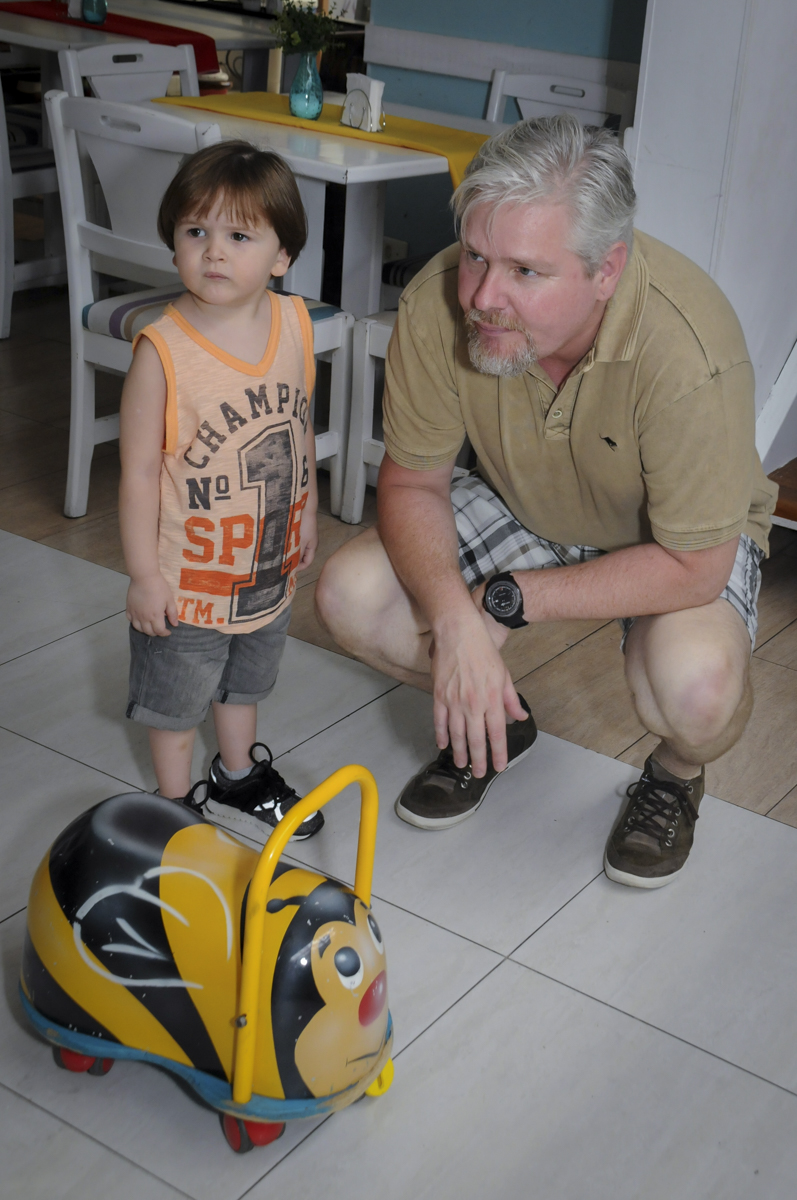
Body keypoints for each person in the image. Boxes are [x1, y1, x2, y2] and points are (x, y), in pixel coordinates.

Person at [316, 116, 777, 887]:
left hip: (663, 544)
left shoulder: (688, 346)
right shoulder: (439, 303)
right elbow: (410, 482)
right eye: (474, 257)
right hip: (523, 504)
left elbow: (694, 565)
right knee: (349, 594)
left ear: (606, 269)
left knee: (696, 692)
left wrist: (495, 605)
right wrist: (456, 624)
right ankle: (491, 717)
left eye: (525, 272)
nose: (483, 297)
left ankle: (672, 777)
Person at [119, 141, 323, 843]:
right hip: (188, 579)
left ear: (281, 255)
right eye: (194, 231)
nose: (212, 252)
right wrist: (145, 576)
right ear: (173, 238)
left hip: (264, 570)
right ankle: (176, 812)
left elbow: (300, 428)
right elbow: (139, 472)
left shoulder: (296, 325)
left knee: (247, 681)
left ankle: (238, 773)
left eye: (238, 236)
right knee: (175, 704)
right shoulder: (162, 351)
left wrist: (308, 513)